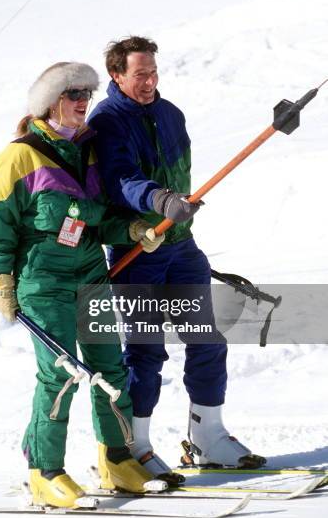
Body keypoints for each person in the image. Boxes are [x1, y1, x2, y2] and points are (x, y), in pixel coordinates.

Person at [0, 62, 166, 508]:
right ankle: (46, 472)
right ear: (49, 102)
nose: (82, 102)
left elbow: (96, 217)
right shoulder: (18, 157)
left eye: (86, 94)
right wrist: (2, 279)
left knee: (111, 370)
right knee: (62, 376)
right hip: (42, 284)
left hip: (90, 276)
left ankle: (117, 460)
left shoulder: (90, 151)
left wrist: (134, 230)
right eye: (72, 94)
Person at [88, 37, 265, 478]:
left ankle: (208, 437)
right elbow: (121, 178)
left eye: (153, 72)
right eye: (139, 75)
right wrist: (161, 200)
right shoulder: (106, 121)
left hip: (181, 248)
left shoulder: (171, 114)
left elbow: (177, 169)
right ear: (117, 75)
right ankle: (136, 447)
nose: (150, 82)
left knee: (207, 340)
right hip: (140, 248)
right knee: (145, 351)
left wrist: (181, 205)